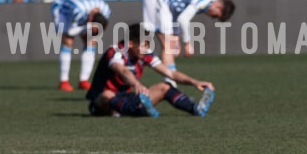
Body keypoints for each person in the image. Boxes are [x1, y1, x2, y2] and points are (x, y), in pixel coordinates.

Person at [86, 23, 215, 118]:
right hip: (101, 103)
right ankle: (137, 110)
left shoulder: (144, 54)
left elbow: (170, 73)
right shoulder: (115, 51)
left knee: (164, 86)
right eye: (144, 44)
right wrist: (136, 84)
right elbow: (122, 71)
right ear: (130, 44)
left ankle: (195, 109)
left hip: (125, 99)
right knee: (107, 95)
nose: (147, 48)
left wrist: (195, 82)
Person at [142, 0, 235, 83]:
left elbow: (177, 10)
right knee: (167, 46)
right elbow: (183, 19)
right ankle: (169, 87)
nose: (211, 17)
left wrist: (176, 37)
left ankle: (170, 85)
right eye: (215, 16)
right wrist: (187, 43)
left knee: (168, 45)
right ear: (219, 7)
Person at [50, 0, 111, 92]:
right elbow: (71, 31)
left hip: (83, 9)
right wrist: (87, 28)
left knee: (91, 41)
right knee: (68, 41)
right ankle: (63, 81)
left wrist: (90, 31)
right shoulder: (78, 10)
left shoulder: (106, 10)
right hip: (62, 7)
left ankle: (84, 80)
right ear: (90, 19)